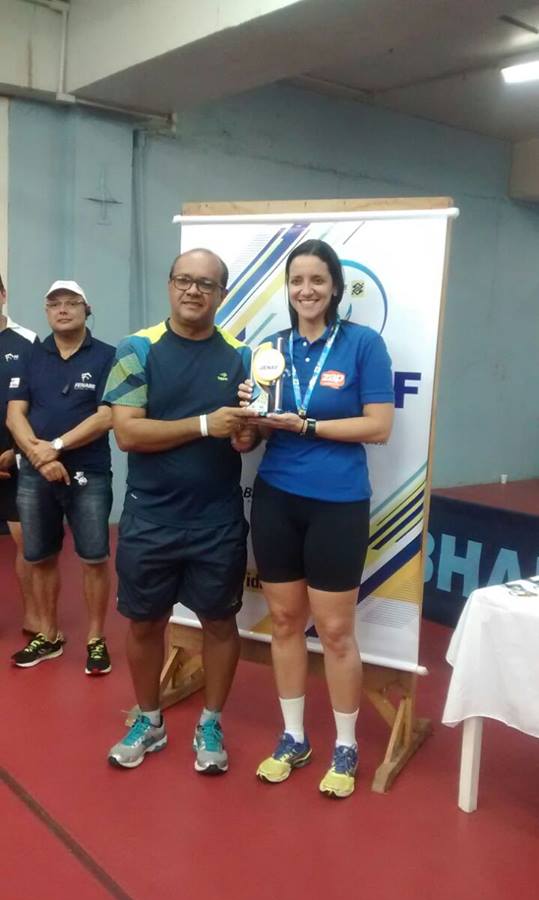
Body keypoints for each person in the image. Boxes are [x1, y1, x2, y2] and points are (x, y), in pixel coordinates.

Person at [240, 239, 395, 798]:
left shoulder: (363, 344)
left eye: (317, 280)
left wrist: (308, 426)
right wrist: (247, 424)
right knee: (284, 622)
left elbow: (379, 426)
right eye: (297, 280)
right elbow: (253, 434)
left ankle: (346, 744)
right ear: (287, 289)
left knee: (334, 631)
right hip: (277, 497)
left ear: (335, 287)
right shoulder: (270, 350)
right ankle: (293, 736)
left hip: (338, 502)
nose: (306, 290)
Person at [104, 248, 256, 774]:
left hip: (217, 519)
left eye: (206, 284)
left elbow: (247, 433)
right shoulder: (137, 348)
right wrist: (205, 424)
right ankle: (150, 720)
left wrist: (246, 434)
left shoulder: (242, 355)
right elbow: (127, 433)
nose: (194, 290)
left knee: (220, 621)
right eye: (184, 280)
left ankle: (210, 722)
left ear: (222, 294)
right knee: (145, 622)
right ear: (170, 285)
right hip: (150, 517)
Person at [7, 280, 115, 675]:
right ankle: (48, 635)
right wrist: (39, 456)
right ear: (47, 311)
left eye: (71, 303)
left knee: (94, 558)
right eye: (55, 304)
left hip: (89, 473)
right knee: (38, 556)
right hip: (36, 473)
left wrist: (56, 446)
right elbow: (15, 415)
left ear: (87, 309)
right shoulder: (31, 355)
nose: (63, 309)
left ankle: (96, 639)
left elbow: (107, 416)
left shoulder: (107, 356)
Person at [0, 272, 40, 638]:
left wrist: (16, 451)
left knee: (27, 544)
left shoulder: (27, 341)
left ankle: (34, 617)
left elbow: (38, 404)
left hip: (14, 462)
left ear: (2, 294)